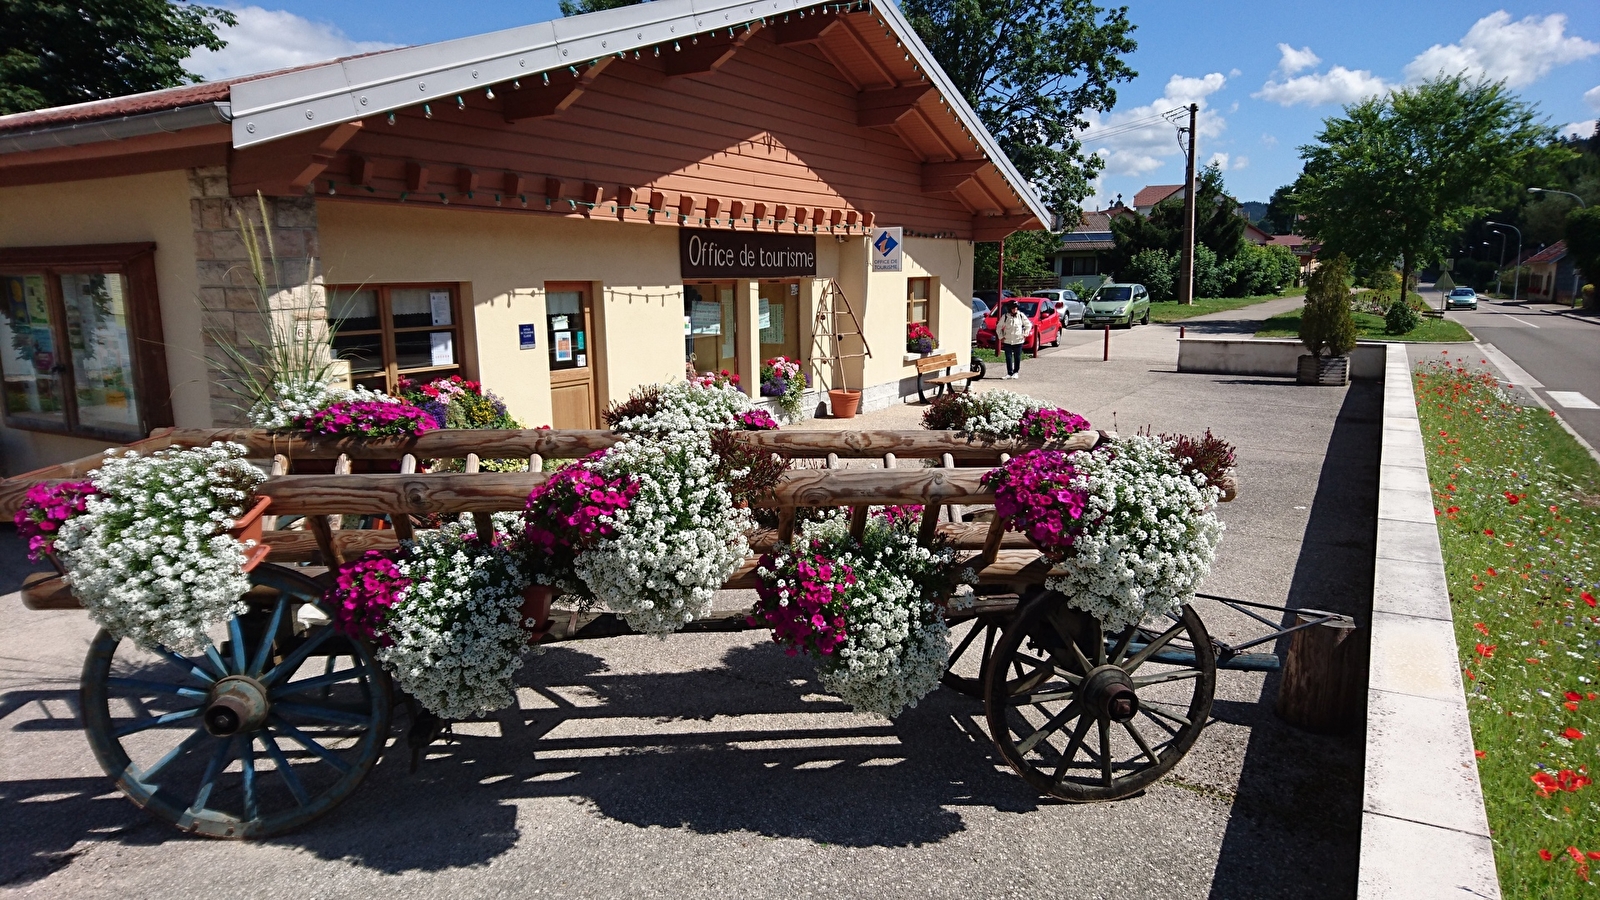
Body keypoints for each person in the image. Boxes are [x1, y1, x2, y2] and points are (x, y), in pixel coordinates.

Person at [996, 299, 1033, 379]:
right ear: (1010, 308)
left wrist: (1026, 332)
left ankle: (1016, 372)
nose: (1015, 309)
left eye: (1016, 307)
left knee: (1017, 357)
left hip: (1018, 340)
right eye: (1013, 308)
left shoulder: (1021, 315)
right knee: (1008, 357)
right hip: (1008, 340)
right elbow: (998, 327)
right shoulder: (1005, 317)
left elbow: (1028, 325)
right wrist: (1001, 337)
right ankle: (1009, 373)